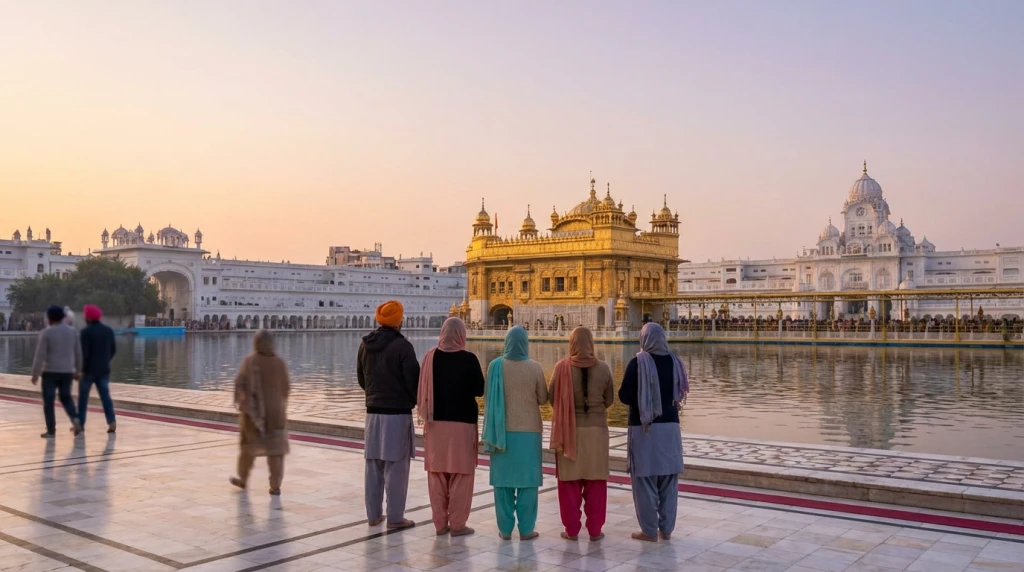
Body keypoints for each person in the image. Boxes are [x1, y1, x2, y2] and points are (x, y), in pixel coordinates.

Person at [618, 322, 689, 542]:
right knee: (668, 480)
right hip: (670, 427)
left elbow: (624, 396)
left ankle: (649, 531)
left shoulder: (638, 363)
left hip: (644, 428)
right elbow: (679, 392)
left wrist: (643, 400)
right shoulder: (675, 362)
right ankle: (666, 529)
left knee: (645, 481)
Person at [416, 317, 484, 537]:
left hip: (435, 426)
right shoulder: (469, 359)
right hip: (462, 426)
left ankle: (440, 525)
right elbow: (479, 390)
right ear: (461, 334)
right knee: (461, 475)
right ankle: (457, 525)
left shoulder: (430, 357)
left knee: (436, 476)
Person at [548, 327, 614, 542]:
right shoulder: (603, 369)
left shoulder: (561, 368)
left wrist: (568, 407)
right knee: (596, 482)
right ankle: (595, 531)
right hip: (597, 432)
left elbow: (551, 398)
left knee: (569, 484)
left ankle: (572, 530)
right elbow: (609, 400)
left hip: (569, 432)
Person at [358, 300, 419, 529]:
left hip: (373, 413)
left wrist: (375, 396)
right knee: (396, 468)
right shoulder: (403, 346)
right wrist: (412, 401)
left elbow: (362, 378)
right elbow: (413, 381)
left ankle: (373, 516)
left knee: (373, 465)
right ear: (398, 320)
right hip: (397, 413)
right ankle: (395, 518)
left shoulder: (365, 345)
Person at [482, 326, 547, 541]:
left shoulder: (495, 366)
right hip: (529, 434)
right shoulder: (536, 368)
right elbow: (543, 399)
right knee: (528, 483)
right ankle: (527, 530)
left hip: (501, 432)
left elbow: (487, 395)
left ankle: (505, 530)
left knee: (503, 483)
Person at [230, 330, 291, 495]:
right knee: (276, 452)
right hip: (276, 414)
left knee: (248, 448)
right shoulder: (280, 363)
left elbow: (240, 382)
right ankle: (275, 485)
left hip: (253, 414)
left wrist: (244, 398)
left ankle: (243, 479)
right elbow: (286, 389)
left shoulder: (250, 361)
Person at [30, 305, 82, 438]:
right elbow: (78, 353)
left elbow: (40, 355)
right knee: (66, 397)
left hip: (50, 372)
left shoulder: (47, 333)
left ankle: (51, 430)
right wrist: (78, 370)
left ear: (50, 318)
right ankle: (75, 419)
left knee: (48, 401)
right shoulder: (73, 332)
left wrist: (35, 373)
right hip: (67, 372)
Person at [78, 304, 118, 433]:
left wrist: (80, 370)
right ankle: (111, 420)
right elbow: (113, 350)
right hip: (104, 370)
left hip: (88, 371)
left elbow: (84, 354)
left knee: (83, 398)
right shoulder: (108, 331)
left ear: (88, 317)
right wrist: (105, 361)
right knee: (105, 397)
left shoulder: (85, 332)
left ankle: (81, 424)